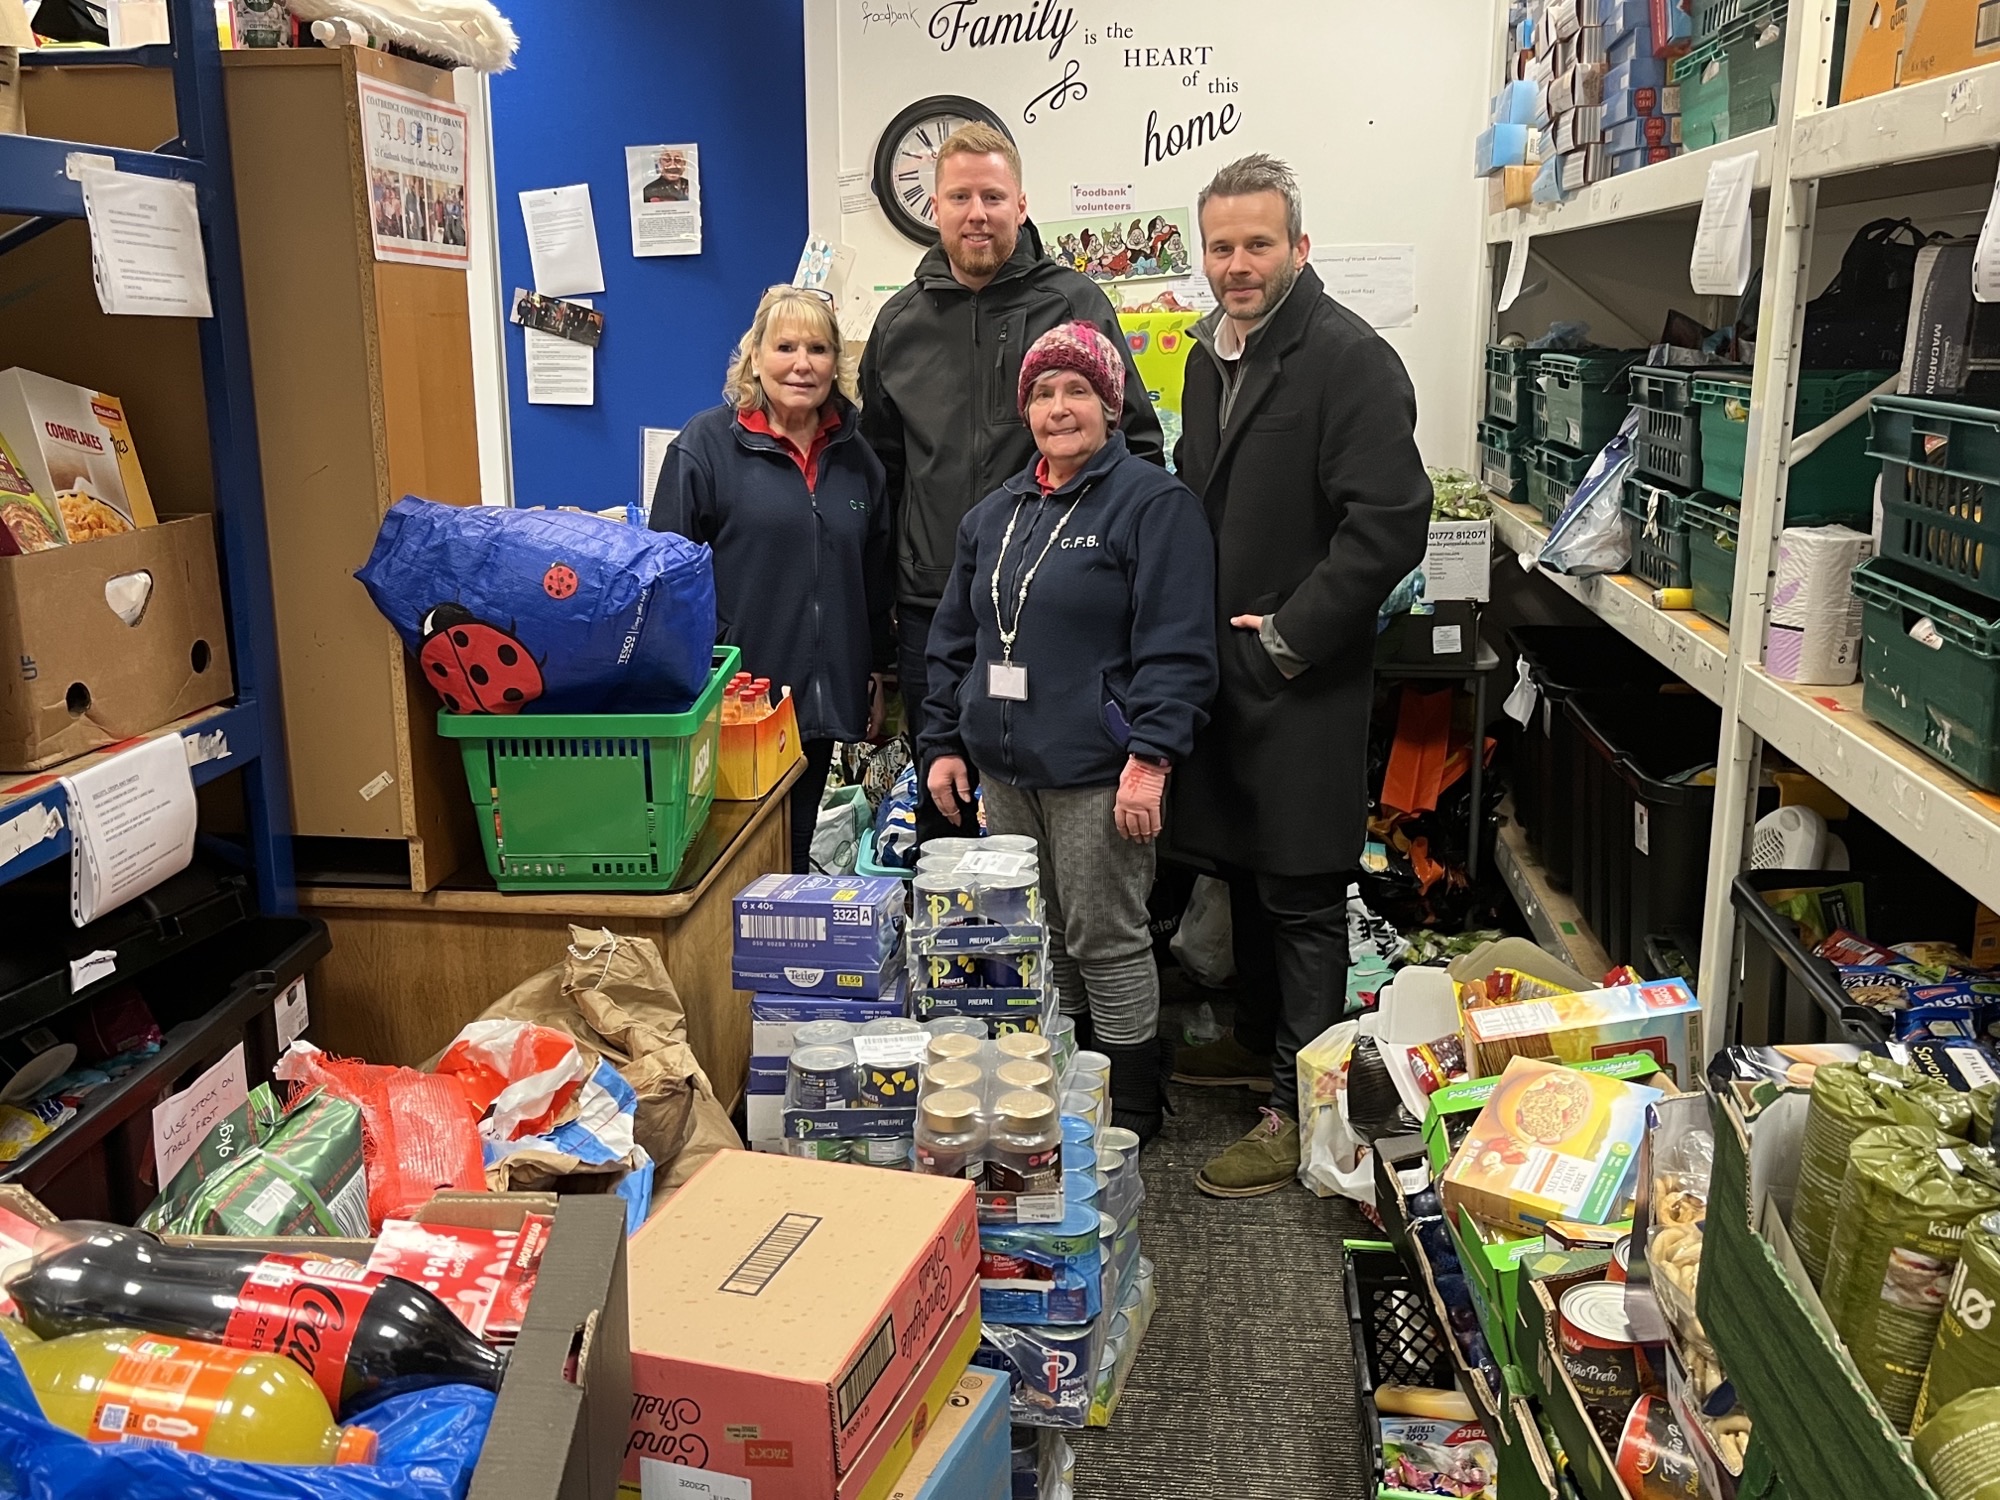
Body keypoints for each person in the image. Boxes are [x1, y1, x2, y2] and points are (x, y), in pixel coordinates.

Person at [1167, 155, 1432, 1198]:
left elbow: (1388, 525)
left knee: (1303, 893)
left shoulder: (1346, 359)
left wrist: (1285, 637)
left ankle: (1300, 1105)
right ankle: (1253, 1047)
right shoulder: (1205, 358)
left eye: (1256, 245)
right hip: (1222, 670)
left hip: (1302, 673)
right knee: (1237, 866)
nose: (1237, 265)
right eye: (1221, 247)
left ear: (1298, 248)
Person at [922, 322, 1215, 1142]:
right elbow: (954, 640)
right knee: (1038, 934)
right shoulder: (993, 517)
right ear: (1027, 410)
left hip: (1100, 768)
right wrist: (943, 742)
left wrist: (1151, 756)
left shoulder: (1153, 505)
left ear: (1111, 405)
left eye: (1077, 390)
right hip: (1007, 769)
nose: (1059, 408)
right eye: (1044, 393)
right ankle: (1066, 1076)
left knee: (1104, 932)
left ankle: (1128, 1106)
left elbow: (1179, 645)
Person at [861, 122, 1163, 844]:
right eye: (959, 196)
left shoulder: (1075, 305)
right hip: (935, 605)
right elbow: (880, 476)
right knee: (948, 810)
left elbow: (1138, 447)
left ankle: (1059, 957)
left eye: (992, 195)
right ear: (934, 207)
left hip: (1058, 608)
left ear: (1021, 203)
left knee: (1055, 820)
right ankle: (956, 957)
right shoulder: (898, 324)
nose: (977, 213)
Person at [651, 285, 891, 874]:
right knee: (727, 861)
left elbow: (875, 577)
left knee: (793, 850)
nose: (802, 363)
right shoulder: (705, 446)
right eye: (785, 346)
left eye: (818, 348)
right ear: (755, 356)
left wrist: (878, 670)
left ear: (838, 363)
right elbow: (664, 577)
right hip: (735, 702)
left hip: (821, 697)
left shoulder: (859, 458)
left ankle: (778, 963)